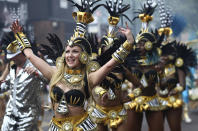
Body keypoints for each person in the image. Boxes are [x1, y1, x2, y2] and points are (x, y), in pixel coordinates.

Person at [10, 0, 135, 130]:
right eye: (67, 52)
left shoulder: (89, 78)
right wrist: (20, 35)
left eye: (75, 51)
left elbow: (110, 65)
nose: (69, 55)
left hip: (82, 126)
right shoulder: (54, 74)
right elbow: (30, 55)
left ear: (84, 56)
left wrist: (128, 43)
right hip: (57, 127)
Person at [0, 31, 46, 131]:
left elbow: (50, 79)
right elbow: (6, 86)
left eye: (14, 56)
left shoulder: (34, 66)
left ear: (21, 53)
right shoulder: (12, 68)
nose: (11, 59)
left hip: (27, 115)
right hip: (10, 114)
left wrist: (38, 73)